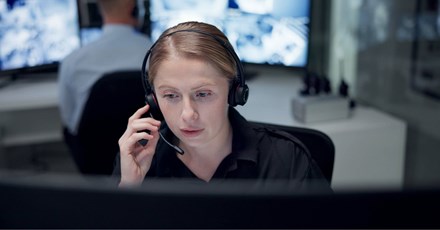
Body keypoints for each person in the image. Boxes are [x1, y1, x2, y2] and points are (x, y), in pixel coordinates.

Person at [113, 21, 331, 191]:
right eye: (171, 95)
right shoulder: (138, 156)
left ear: (234, 91)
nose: (188, 115)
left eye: (203, 94)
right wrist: (129, 188)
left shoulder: (286, 160)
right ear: (153, 99)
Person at [58, 0, 152, 136]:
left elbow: (70, 123)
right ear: (133, 7)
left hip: (94, 152)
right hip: (148, 146)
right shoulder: (158, 55)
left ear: (99, 10)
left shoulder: (72, 62)